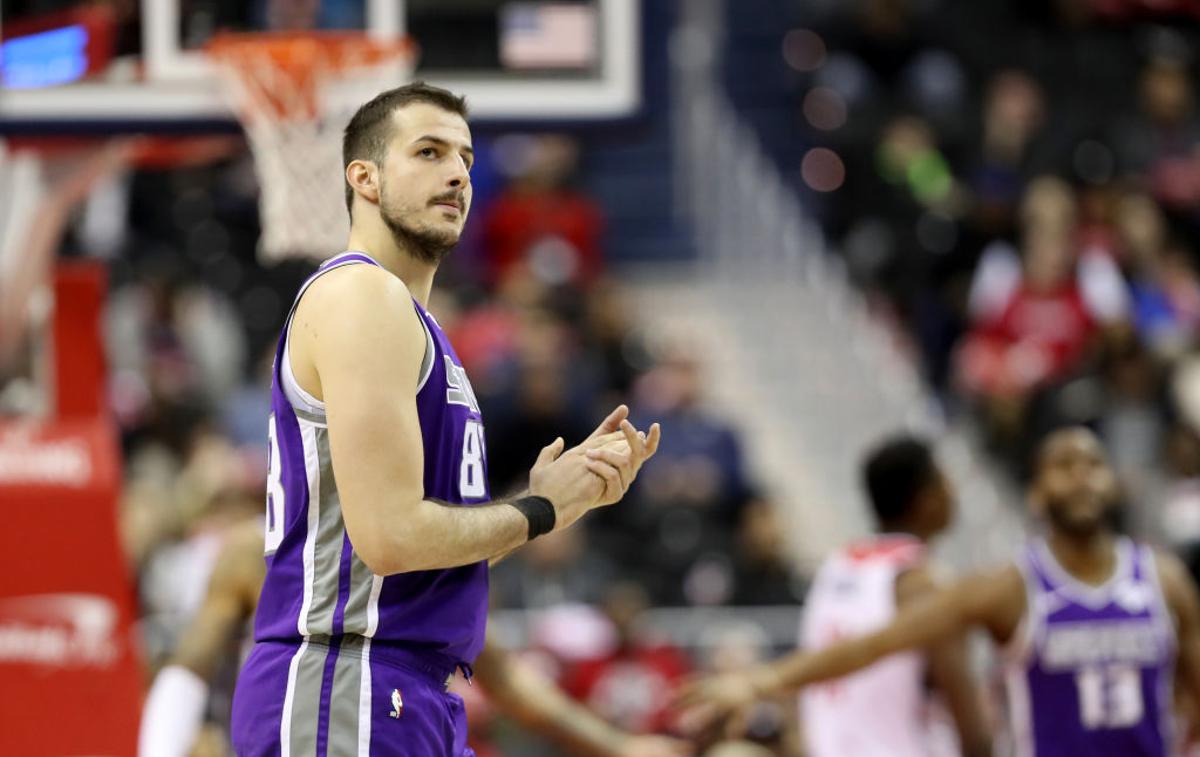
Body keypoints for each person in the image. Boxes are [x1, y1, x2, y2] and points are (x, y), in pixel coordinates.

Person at [230, 82, 662, 756]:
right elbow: (391, 537)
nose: (458, 172)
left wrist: (555, 502)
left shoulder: (420, 327)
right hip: (345, 679)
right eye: (428, 152)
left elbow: (419, 548)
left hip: (407, 684)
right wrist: (541, 509)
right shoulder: (361, 293)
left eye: (464, 156)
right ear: (364, 179)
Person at [677, 427, 1200, 756]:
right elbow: (874, 644)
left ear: (1113, 481)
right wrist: (764, 678)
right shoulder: (1005, 587)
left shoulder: (1165, 581)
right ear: (1037, 492)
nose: (1082, 477)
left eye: (1093, 464)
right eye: (1064, 466)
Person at [140, 519, 690, 757]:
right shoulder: (256, 551)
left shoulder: (421, 558)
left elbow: (510, 680)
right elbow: (190, 664)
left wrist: (619, 745)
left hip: (405, 728)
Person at [796, 436, 989, 757]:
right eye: (945, 481)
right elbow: (964, 709)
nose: (953, 492)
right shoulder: (923, 585)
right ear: (927, 499)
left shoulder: (834, 567)